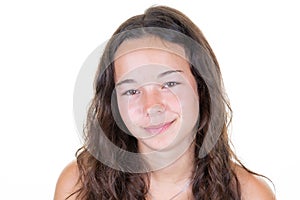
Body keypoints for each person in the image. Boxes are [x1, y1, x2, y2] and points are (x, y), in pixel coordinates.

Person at [54, 5, 275, 200]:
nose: (152, 106)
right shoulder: (78, 185)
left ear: (202, 87)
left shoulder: (250, 194)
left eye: (169, 84)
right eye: (131, 90)